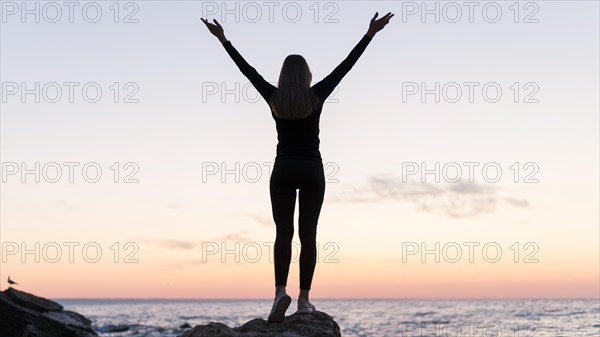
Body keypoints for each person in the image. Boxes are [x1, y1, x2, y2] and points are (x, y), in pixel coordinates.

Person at [201, 11, 394, 323]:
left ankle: (280, 292)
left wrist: (224, 40)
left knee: (283, 233)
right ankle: (304, 300)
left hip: (283, 170)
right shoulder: (316, 96)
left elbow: (247, 71)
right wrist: (370, 34)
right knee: (309, 235)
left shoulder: (274, 97)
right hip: (312, 171)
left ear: (283, 76)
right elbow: (345, 66)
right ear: (306, 75)